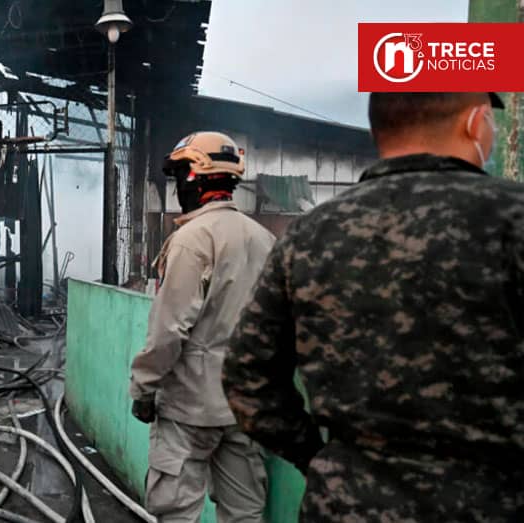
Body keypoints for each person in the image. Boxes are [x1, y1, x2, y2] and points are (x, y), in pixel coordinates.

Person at [224, 92, 524, 522]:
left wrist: (323, 460)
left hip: (347, 507)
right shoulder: (513, 217)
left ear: (379, 130)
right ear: (475, 123)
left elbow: (246, 378)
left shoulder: (311, 234)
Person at [129, 132, 274, 522]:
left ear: (196, 176)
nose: (178, 186)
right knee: (245, 512)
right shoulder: (265, 240)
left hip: (189, 408)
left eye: (180, 176)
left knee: (176, 510)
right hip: (245, 406)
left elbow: (169, 329)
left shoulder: (192, 240)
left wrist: (144, 388)